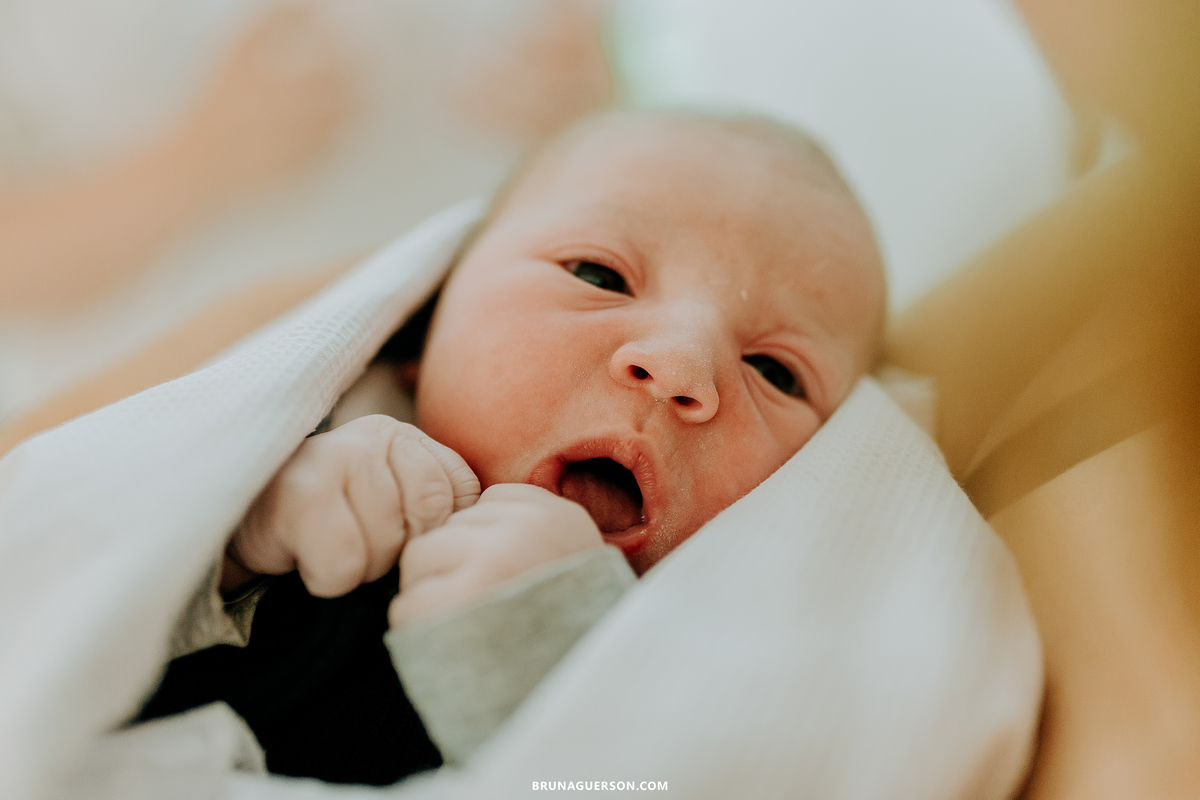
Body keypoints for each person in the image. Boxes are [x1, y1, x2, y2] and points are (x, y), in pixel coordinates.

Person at [138, 108, 887, 785]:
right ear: (426, 324)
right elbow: (52, 610)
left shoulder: (707, 667)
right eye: (599, 274)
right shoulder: (296, 452)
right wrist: (231, 543)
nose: (681, 364)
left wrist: (540, 659)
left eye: (776, 372)